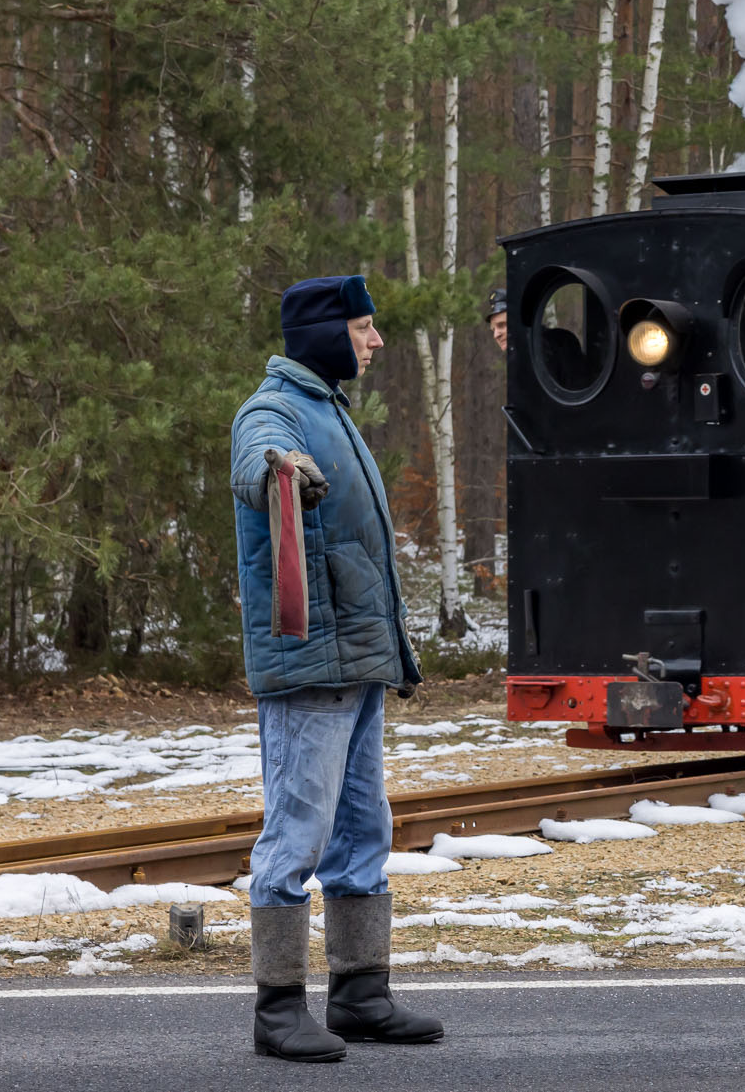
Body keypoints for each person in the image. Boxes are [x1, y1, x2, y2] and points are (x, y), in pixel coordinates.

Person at [230, 274, 445, 1062]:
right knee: (298, 832)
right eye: (363, 325)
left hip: (355, 662)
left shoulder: (329, 409)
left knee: (361, 830)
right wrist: (277, 470)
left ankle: (361, 993)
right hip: (309, 664)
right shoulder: (276, 411)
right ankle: (277, 1009)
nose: (375, 339)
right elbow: (254, 462)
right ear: (326, 332)